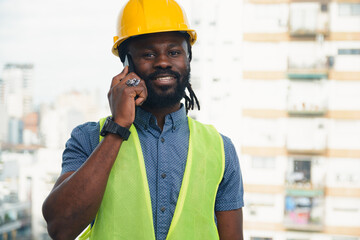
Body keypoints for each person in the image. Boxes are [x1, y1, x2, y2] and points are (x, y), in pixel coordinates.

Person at [42, 0, 244, 239]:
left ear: (188, 58)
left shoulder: (221, 149)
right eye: (148, 54)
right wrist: (117, 128)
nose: (163, 62)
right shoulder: (89, 138)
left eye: (174, 52)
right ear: (127, 64)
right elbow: (60, 228)